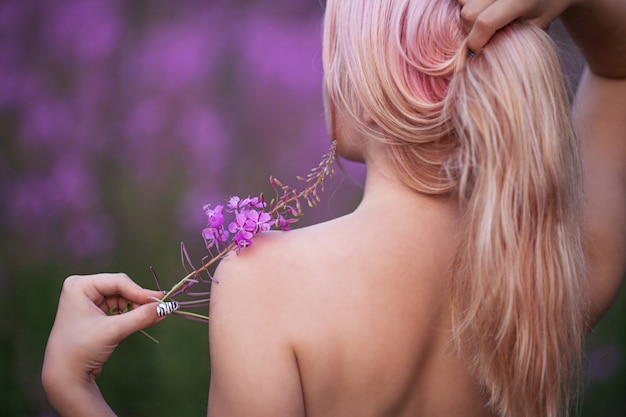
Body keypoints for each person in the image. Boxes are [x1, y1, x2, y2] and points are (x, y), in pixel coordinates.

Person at [42, 0, 626, 416]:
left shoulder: (264, 284)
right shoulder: (546, 278)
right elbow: (618, 69)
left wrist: (75, 393)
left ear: (360, 91)